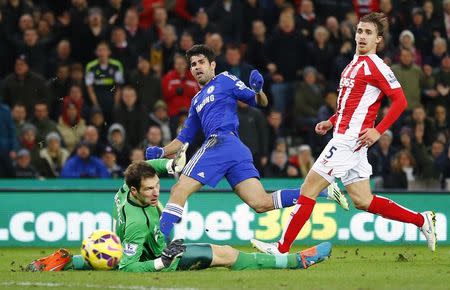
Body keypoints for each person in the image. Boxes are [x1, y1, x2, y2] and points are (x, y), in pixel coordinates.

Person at [251, 12, 437, 255]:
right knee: (363, 200)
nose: (362, 36)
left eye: (368, 33)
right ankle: (422, 220)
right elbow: (349, 106)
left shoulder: (376, 66)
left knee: (308, 189)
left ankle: (281, 248)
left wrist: (378, 130)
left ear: (378, 39)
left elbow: (400, 101)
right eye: (360, 31)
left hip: (349, 141)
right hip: (346, 138)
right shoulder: (353, 63)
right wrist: (330, 121)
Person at [145, 44, 349, 241]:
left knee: (178, 189)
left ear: (213, 65)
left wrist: (258, 90)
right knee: (261, 203)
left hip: (220, 141)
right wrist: (162, 151)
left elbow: (261, 102)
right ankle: (321, 190)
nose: (197, 67)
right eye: (193, 64)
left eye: (201, 62)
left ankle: (159, 243)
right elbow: (183, 139)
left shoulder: (224, 80)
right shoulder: (196, 100)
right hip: (235, 151)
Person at [27, 158, 332, 272]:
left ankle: (65, 262)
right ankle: (296, 261)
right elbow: (130, 269)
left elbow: (147, 165)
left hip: (151, 245)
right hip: (161, 258)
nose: (155, 192)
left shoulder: (127, 185)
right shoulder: (136, 225)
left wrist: (169, 166)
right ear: (134, 192)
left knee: (109, 257)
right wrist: (163, 260)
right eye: (148, 190)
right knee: (227, 253)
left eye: (156, 186)